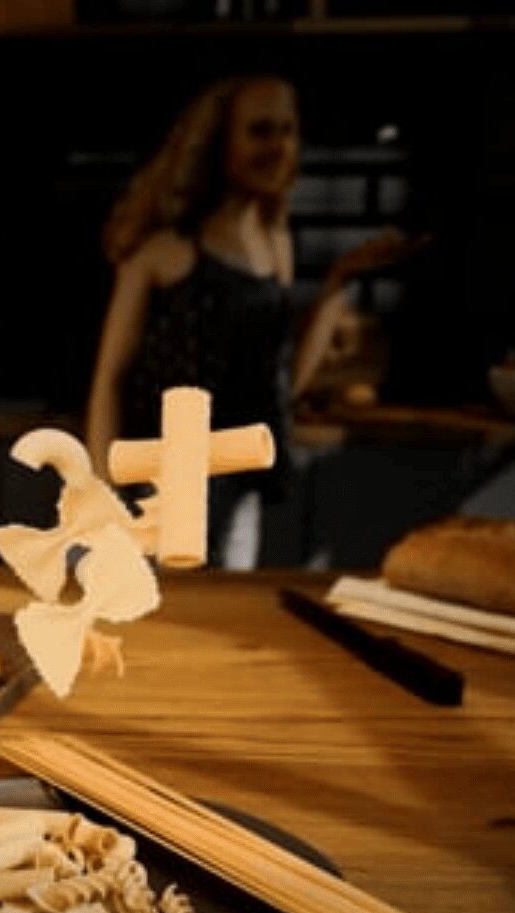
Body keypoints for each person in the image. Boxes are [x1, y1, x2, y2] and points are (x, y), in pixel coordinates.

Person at [83, 75, 424, 569]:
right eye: (260, 131)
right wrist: (102, 501)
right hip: (163, 486)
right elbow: (110, 379)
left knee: (218, 620)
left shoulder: (275, 245)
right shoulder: (167, 253)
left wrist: (338, 282)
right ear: (220, 145)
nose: (278, 145)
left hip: (241, 486)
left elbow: (282, 385)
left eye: (287, 130)